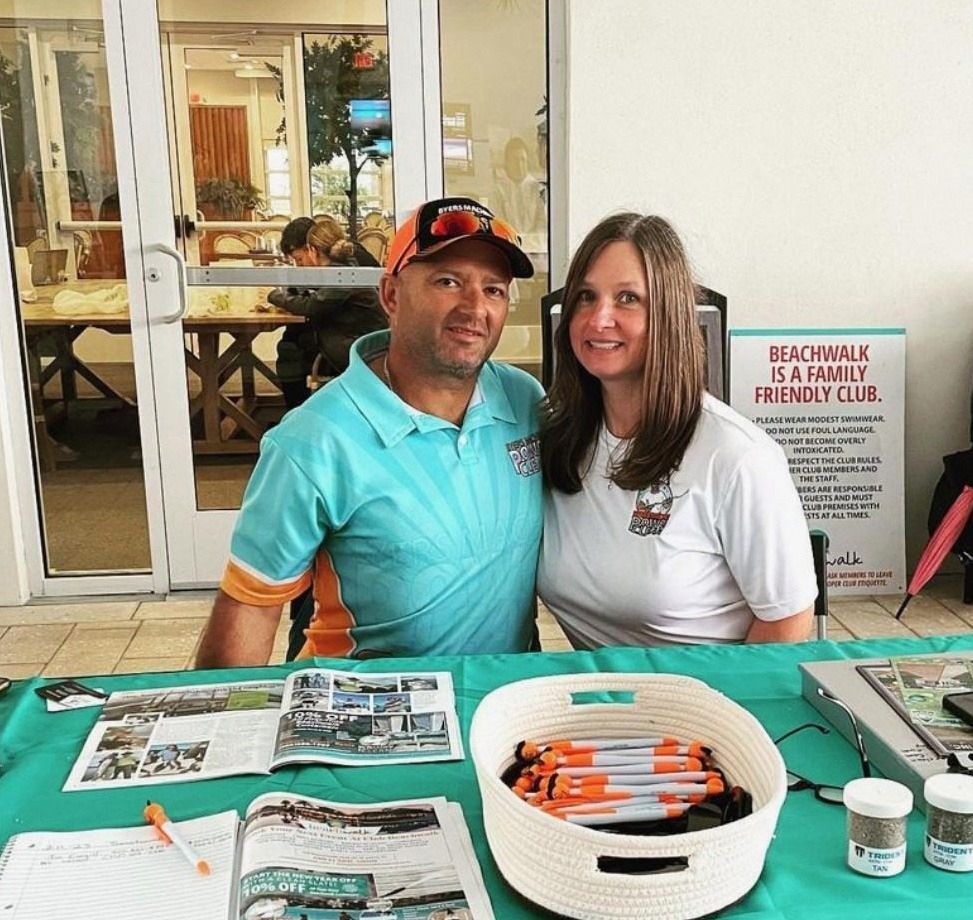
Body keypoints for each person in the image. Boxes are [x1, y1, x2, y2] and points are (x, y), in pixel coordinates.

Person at [195, 197, 543, 667]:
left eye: (494, 290)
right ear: (391, 296)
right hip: (366, 708)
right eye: (448, 281)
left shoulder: (524, 402)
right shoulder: (313, 440)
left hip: (501, 699)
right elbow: (247, 617)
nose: (474, 307)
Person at [537, 213, 817, 648]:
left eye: (628, 298)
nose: (598, 319)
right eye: (586, 297)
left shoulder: (736, 457)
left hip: (706, 705)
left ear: (668, 314)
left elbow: (787, 624)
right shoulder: (560, 439)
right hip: (603, 703)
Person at [271, 216, 387, 408]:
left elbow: (312, 306)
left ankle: (300, 411)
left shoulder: (341, 274)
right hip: (357, 336)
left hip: (356, 346)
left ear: (313, 250)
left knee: (290, 348)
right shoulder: (344, 264)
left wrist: (274, 296)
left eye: (299, 260)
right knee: (292, 343)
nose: (300, 265)